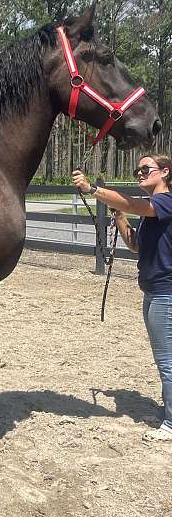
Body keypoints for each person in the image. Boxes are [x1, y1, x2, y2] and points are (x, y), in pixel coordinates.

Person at [72, 154, 172, 442]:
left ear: (165, 172)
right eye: (137, 170)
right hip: (154, 290)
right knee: (163, 358)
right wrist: (120, 217)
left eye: (145, 169)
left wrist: (93, 190)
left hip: (165, 293)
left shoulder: (165, 202)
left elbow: (132, 202)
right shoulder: (153, 212)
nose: (139, 174)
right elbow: (136, 246)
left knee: (167, 360)